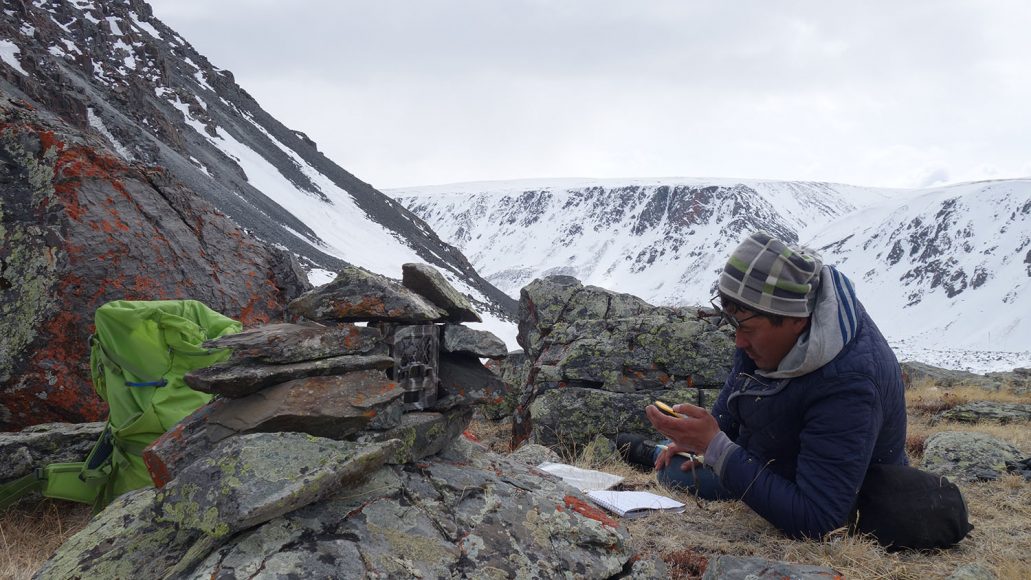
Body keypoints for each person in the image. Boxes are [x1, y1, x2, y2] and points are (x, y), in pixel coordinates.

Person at [641, 230, 908, 539]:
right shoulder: (768, 324)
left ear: (795, 320)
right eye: (733, 325)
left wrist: (715, 447)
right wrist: (700, 440)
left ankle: (646, 451)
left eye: (748, 329)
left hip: (840, 491)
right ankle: (651, 450)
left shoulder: (850, 382)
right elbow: (738, 389)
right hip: (779, 454)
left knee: (674, 475)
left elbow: (821, 521)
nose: (739, 342)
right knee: (673, 468)